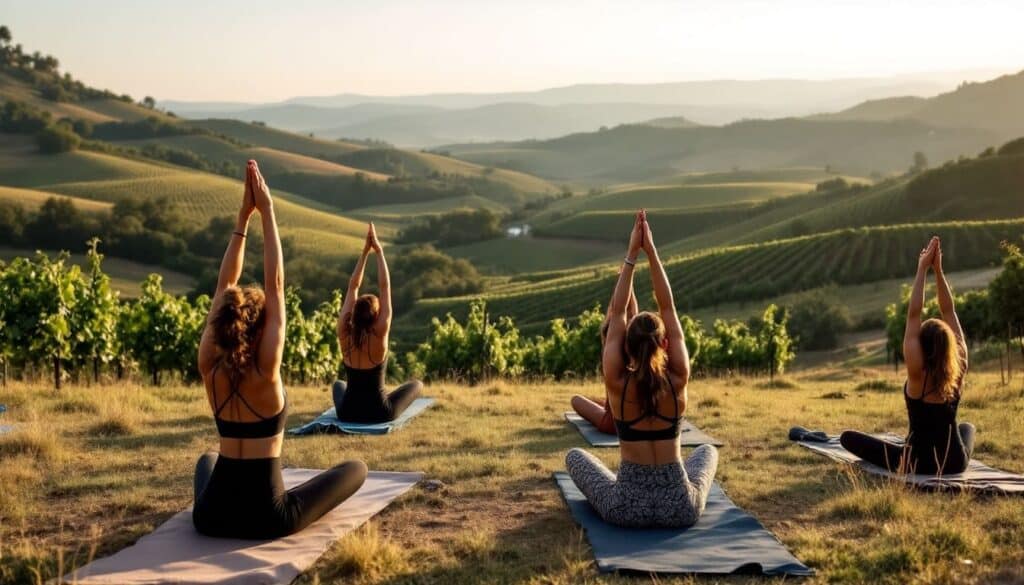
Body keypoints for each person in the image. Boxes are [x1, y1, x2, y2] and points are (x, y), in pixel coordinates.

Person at [192, 160, 367, 539]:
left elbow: (226, 283)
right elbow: (276, 284)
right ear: (259, 328)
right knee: (355, 469)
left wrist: (243, 218)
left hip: (209, 517)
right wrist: (267, 210)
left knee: (208, 460)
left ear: (222, 321)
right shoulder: (266, 369)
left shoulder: (209, 365)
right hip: (267, 519)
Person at [565, 210, 719, 528]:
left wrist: (632, 254)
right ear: (664, 345)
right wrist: (652, 252)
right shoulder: (678, 380)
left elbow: (618, 311)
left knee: (575, 457)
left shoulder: (618, 383)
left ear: (627, 347)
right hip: (680, 509)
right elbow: (668, 307)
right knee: (706, 451)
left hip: (625, 509)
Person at [840, 236, 975, 475]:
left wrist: (922, 268)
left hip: (916, 463)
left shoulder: (916, 372)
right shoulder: (959, 367)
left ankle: (905, 447)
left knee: (847, 438)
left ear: (921, 345)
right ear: (949, 345)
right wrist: (939, 271)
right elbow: (949, 311)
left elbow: (914, 314)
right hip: (954, 463)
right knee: (967, 428)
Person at [332, 223, 423, 423]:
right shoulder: (380, 333)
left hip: (347, 412)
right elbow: (385, 286)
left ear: (354, 312)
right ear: (376, 315)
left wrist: (364, 253)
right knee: (416, 384)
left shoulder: (344, 332)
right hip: (379, 413)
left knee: (339, 384)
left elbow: (353, 286)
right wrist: (378, 250)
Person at [568, 271, 639, 434]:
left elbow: (615, 312)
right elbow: (631, 313)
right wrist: (629, 281)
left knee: (576, 400)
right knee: (594, 401)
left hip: (613, 423)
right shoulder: (638, 347)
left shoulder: (611, 352)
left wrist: (622, 281)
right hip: (641, 419)